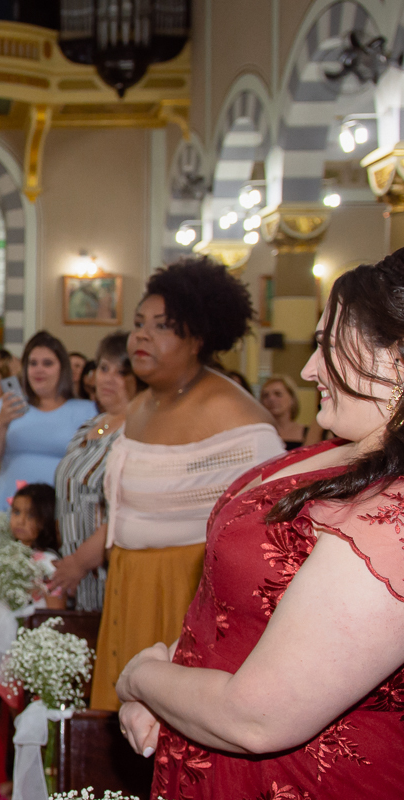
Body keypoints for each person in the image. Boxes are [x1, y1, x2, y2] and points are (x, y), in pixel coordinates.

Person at [117, 252, 404, 799]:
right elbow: (243, 606)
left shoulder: (396, 514)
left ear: (398, 356)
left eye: (329, 345)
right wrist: (166, 684)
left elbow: (259, 719)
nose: (308, 370)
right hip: (205, 749)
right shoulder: (333, 452)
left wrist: (138, 678)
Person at [89, 258, 283, 711]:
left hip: (185, 591)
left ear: (198, 337)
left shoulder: (235, 417)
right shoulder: (141, 405)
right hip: (128, 582)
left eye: (162, 326)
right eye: (139, 323)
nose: (140, 335)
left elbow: (271, 533)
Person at [48, 333, 141, 613]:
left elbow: (124, 508)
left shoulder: (138, 431)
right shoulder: (91, 425)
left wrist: (79, 563)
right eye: (103, 368)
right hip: (71, 566)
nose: (108, 379)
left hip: (103, 569)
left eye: (122, 372)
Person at [0, 331, 97, 511]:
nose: (39, 370)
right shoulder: (10, 404)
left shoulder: (86, 410)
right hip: (10, 507)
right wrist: (1, 421)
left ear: (62, 368)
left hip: (61, 510)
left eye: (47, 363)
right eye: (33, 363)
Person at [11, 482, 65, 609]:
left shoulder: (48, 562)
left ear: (46, 518)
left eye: (31, 515)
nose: (21, 521)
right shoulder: (9, 553)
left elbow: (56, 611)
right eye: (16, 512)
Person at [260, 374, 309, 449]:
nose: (271, 399)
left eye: (278, 394)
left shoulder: (308, 433)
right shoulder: (259, 433)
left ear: (292, 398)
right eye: (266, 395)